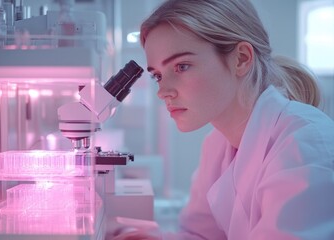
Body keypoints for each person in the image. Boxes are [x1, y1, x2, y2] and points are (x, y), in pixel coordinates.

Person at [112, 0, 334, 239]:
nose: (163, 91)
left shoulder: (306, 144)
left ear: (241, 59)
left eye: (181, 66)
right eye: (157, 75)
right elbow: (202, 235)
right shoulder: (218, 143)